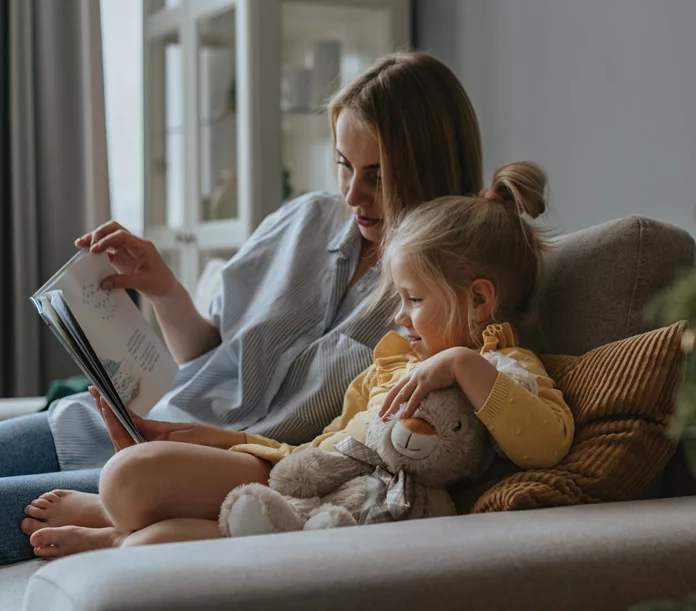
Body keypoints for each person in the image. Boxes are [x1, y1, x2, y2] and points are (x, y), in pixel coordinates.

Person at [3, 50, 484, 563]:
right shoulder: (305, 220)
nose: (352, 195)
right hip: (126, 417)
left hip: (193, 470)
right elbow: (212, 353)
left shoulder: (441, 295)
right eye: (344, 166)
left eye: (378, 177)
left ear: (430, 170)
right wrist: (164, 288)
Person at [34, 162, 574, 553]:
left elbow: (547, 444)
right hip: (307, 487)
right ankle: (117, 517)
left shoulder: (507, 368)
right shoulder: (387, 367)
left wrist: (461, 364)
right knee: (127, 476)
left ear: (479, 299)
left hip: (349, 515)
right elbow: (320, 448)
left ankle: (114, 533)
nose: (399, 317)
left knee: (146, 543)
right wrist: (232, 441)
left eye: (412, 300)